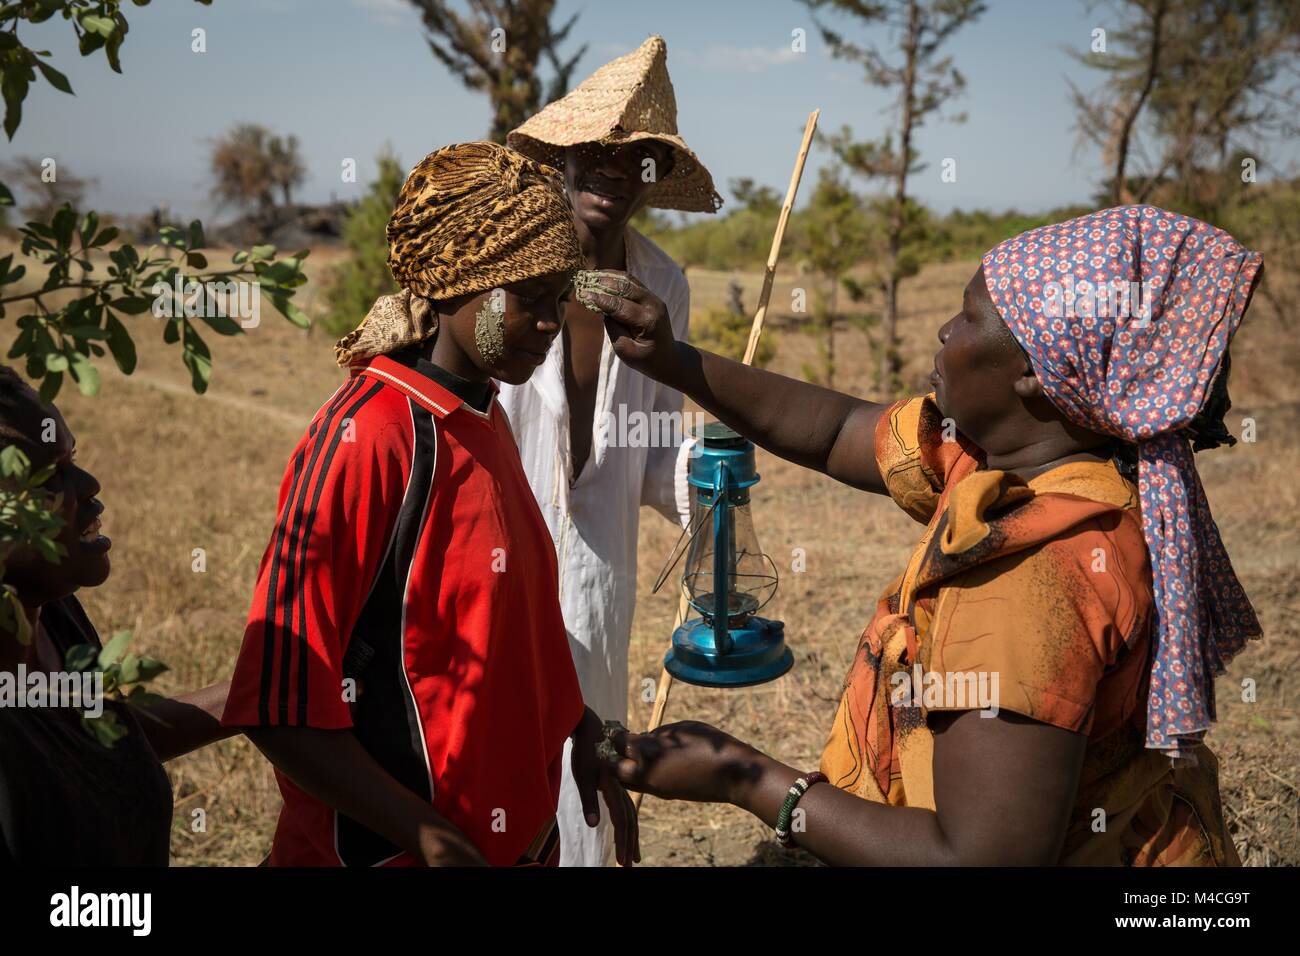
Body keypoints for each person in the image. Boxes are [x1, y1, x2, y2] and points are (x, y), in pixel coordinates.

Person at [587, 205, 1260, 865]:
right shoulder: (1018, 459)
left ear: (1037, 370)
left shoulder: (1029, 578)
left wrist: (747, 779)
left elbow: (979, 855)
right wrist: (673, 360)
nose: (944, 329)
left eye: (969, 317)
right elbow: (835, 431)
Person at [221, 142, 638, 867]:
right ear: (455, 285)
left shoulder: (484, 418)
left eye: (559, 296)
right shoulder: (370, 436)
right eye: (528, 297)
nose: (550, 321)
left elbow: (508, 627)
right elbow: (276, 708)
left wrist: (580, 729)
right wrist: (431, 838)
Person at [503, 34, 722, 866]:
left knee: (583, 771)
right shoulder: (512, 268)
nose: (607, 167)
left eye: (632, 157)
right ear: (565, 154)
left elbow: (654, 450)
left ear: (653, 177)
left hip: (597, 576)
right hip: (493, 561)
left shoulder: (661, 287)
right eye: (593, 146)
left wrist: (708, 479)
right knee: (487, 763)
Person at [0, 366, 233, 865]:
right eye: (49, 479)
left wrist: (251, 699)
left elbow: (102, 747)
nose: (88, 485)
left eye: (74, 460)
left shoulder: (54, 614)